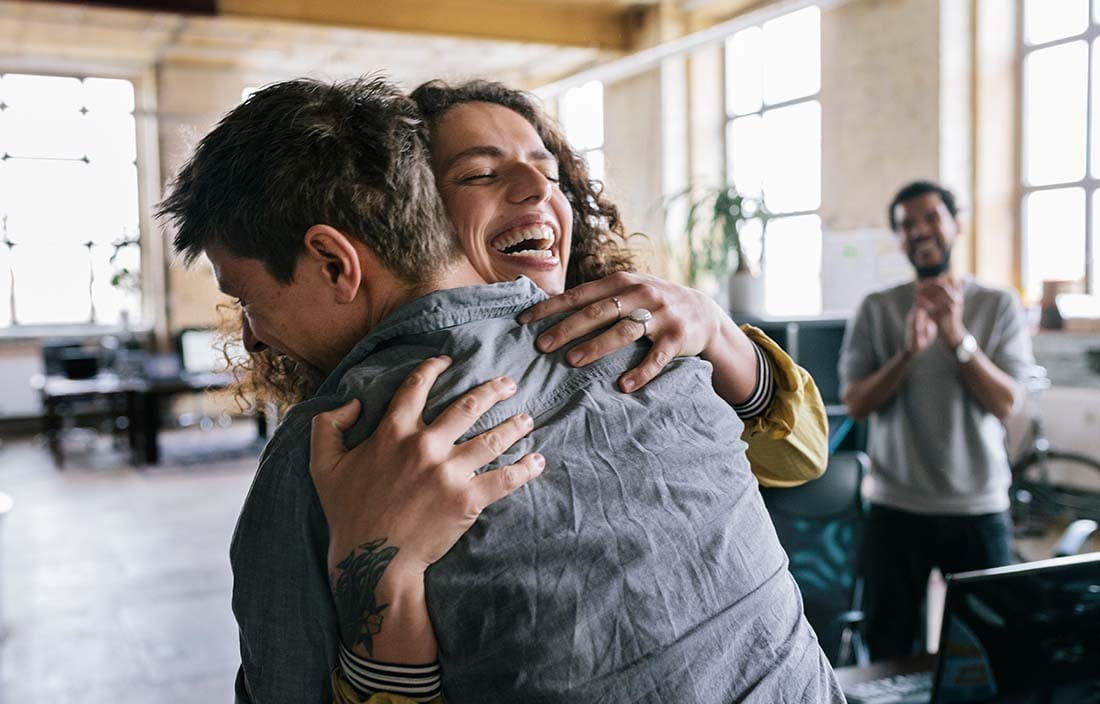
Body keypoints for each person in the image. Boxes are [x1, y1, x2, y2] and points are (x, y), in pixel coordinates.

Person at [159, 77, 842, 703]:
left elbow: (802, 455)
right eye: (481, 173)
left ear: (340, 258)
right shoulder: (658, 360)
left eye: (550, 172)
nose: (538, 191)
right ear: (415, 206)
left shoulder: (323, 453)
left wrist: (718, 331)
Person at [839, 180, 1034, 661]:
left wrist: (957, 337)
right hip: (895, 509)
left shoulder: (997, 304)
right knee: (887, 651)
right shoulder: (877, 308)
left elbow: (1006, 404)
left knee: (988, 656)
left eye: (930, 218)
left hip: (977, 510)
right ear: (899, 240)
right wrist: (907, 353)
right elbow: (857, 404)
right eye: (907, 225)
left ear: (956, 225)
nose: (920, 231)